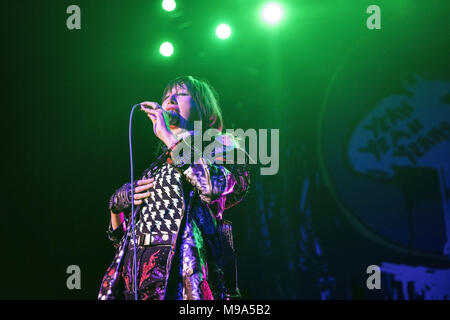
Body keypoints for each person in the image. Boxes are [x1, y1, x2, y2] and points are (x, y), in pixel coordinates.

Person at [98, 75, 250, 300]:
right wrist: (115, 208)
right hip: (136, 281)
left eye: (180, 94)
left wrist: (169, 138)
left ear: (204, 108)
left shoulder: (221, 146)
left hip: (183, 277)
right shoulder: (157, 167)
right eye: (166, 96)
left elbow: (211, 186)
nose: (169, 100)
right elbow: (124, 240)